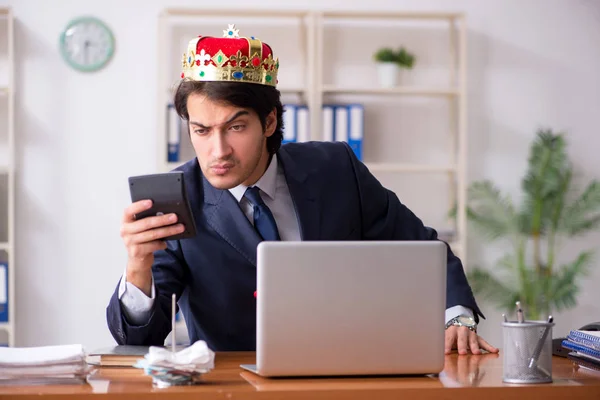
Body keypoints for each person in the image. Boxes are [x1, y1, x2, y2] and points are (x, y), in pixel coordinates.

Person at [106, 25, 498, 356]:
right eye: (202, 131)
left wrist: (457, 315)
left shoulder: (335, 168)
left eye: (236, 127)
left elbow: (424, 250)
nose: (218, 150)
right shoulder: (181, 197)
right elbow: (139, 339)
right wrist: (138, 267)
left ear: (270, 121)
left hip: (350, 372)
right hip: (234, 385)